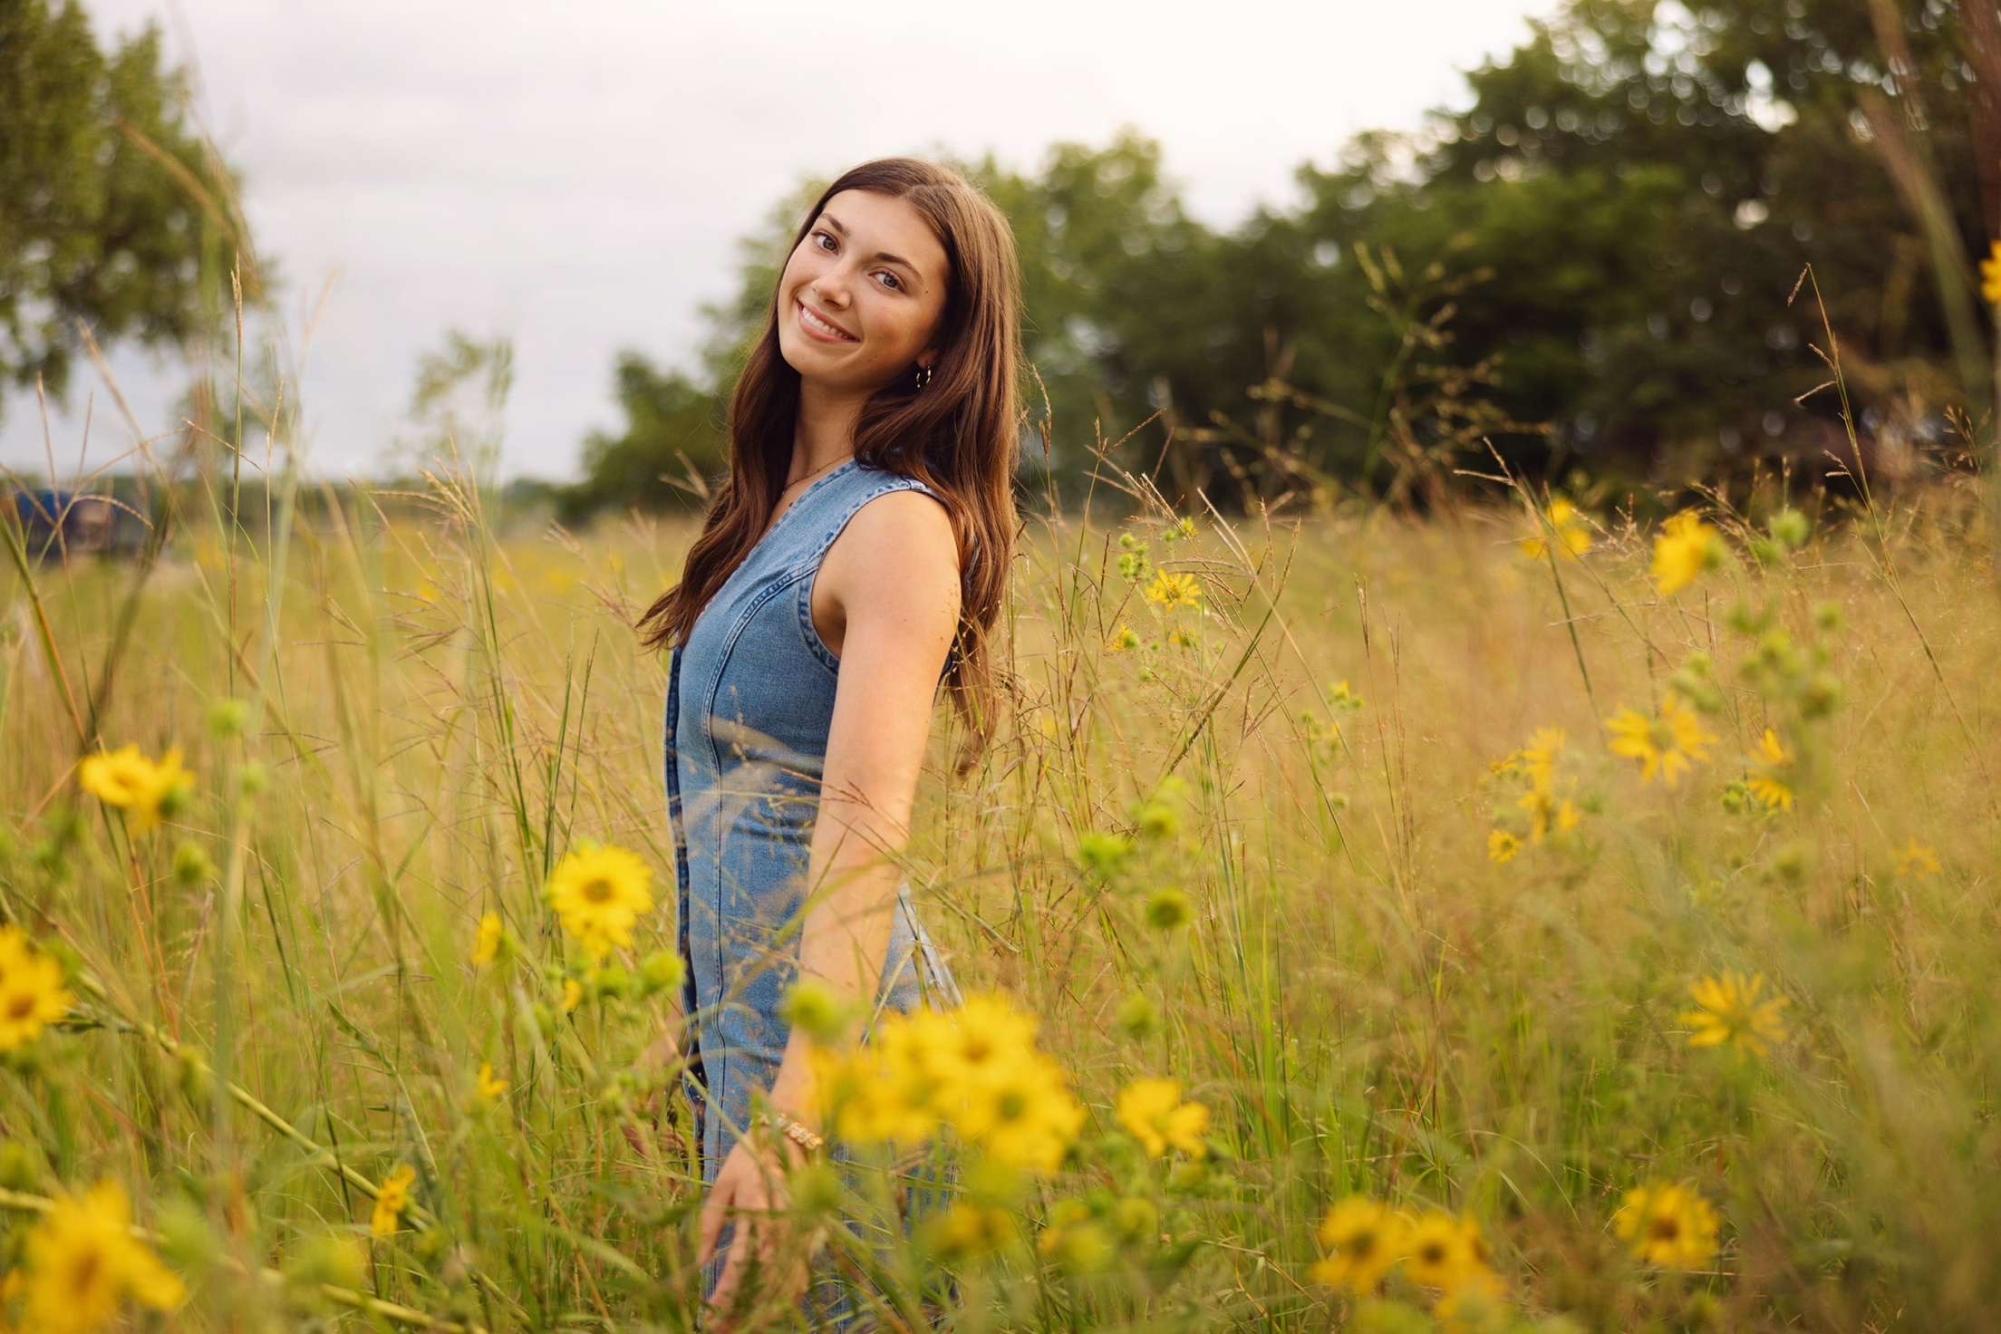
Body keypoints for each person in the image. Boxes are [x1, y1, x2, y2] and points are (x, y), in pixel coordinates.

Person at [634, 157, 1024, 1328]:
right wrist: (696, 1028)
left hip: (836, 1053)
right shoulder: (786, 498)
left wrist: (794, 1119)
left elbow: (861, 830)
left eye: (888, 274)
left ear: (935, 346)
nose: (835, 281)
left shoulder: (896, 525)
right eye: (828, 240)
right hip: (758, 1025)